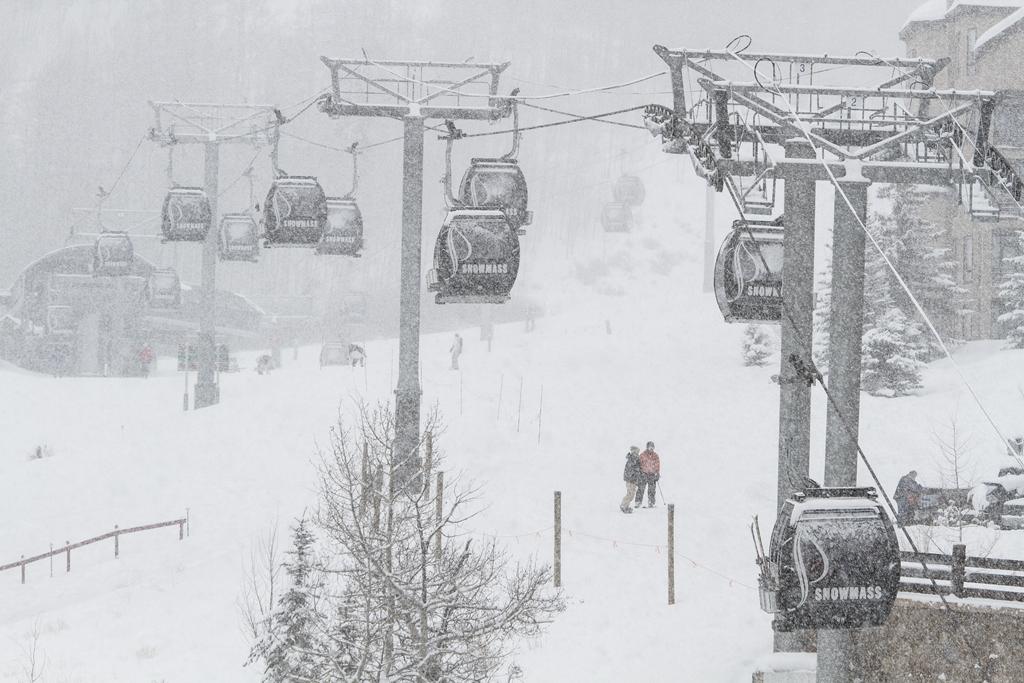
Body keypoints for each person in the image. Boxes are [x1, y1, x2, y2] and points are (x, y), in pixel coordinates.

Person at [635, 441, 661, 508]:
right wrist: (639, 473)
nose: (651, 448)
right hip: (643, 474)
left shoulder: (655, 456)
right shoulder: (642, 455)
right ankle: (638, 502)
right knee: (641, 488)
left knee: (652, 489)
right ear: (647, 447)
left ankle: (651, 502)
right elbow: (639, 464)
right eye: (650, 447)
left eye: (652, 447)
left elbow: (657, 465)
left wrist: (657, 473)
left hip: (652, 475)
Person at [621, 446, 641, 513]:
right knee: (630, 494)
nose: (637, 453)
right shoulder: (632, 459)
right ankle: (624, 505)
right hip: (630, 480)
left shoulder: (635, 459)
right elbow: (630, 470)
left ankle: (625, 505)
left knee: (631, 494)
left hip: (633, 480)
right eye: (636, 452)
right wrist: (635, 473)